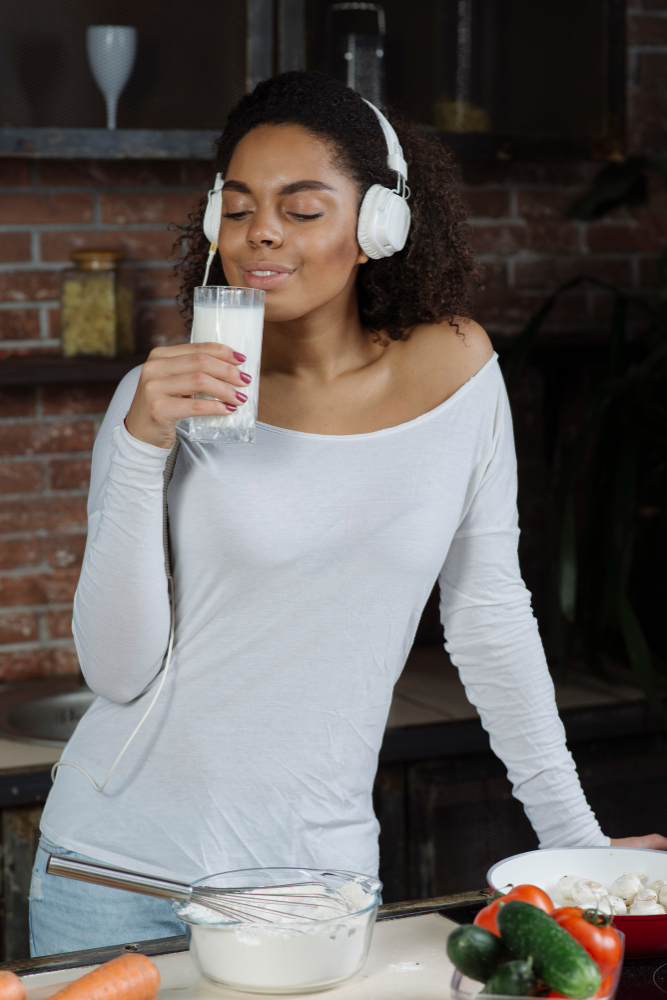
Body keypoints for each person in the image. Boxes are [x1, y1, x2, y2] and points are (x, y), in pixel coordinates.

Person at [30, 71, 666, 956]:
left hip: (309, 889)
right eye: (241, 204)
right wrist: (140, 444)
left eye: (301, 208)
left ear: (379, 227)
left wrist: (577, 843)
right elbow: (116, 671)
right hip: (111, 872)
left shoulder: (458, 371)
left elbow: (486, 619)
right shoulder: (161, 396)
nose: (262, 234)